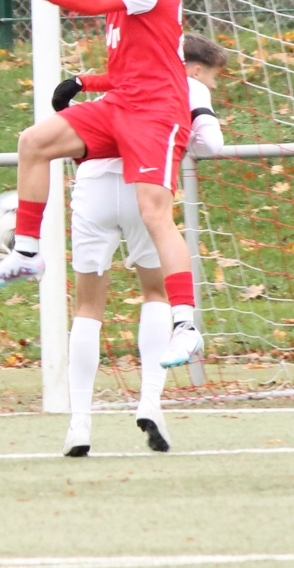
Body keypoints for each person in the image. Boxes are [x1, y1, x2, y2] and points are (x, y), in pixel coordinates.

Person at [0, 0, 202, 370]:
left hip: (156, 115)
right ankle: (27, 253)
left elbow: (91, 4)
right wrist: (84, 82)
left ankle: (185, 327)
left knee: (154, 214)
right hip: (122, 105)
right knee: (33, 143)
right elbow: (132, 71)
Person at [53, 33, 226, 456]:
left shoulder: (126, 80)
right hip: (143, 185)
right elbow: (212, 144)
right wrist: (183, 139)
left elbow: (73, 120)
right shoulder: (187, 85)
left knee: (87, 306)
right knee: (156, 292)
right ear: (196, 68)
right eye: (214, 75)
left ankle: (79, 424)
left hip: (92, 185)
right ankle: (150, 401)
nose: (214, 83)